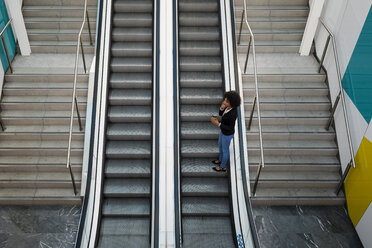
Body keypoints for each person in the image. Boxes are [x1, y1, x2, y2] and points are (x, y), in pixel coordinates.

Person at [210, 91, 241, 172]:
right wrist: (222, 107)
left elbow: (230, 128)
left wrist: (218, 124)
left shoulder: (233, 114)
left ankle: (222, 166)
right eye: (225, 100)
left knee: (225, 150)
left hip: (227, 134)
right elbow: (221, 114)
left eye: (227, 101)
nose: (224, 102)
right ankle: (220, 160)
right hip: (223, 131)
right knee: (220, 146)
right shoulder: (228, 107)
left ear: (232, 102)